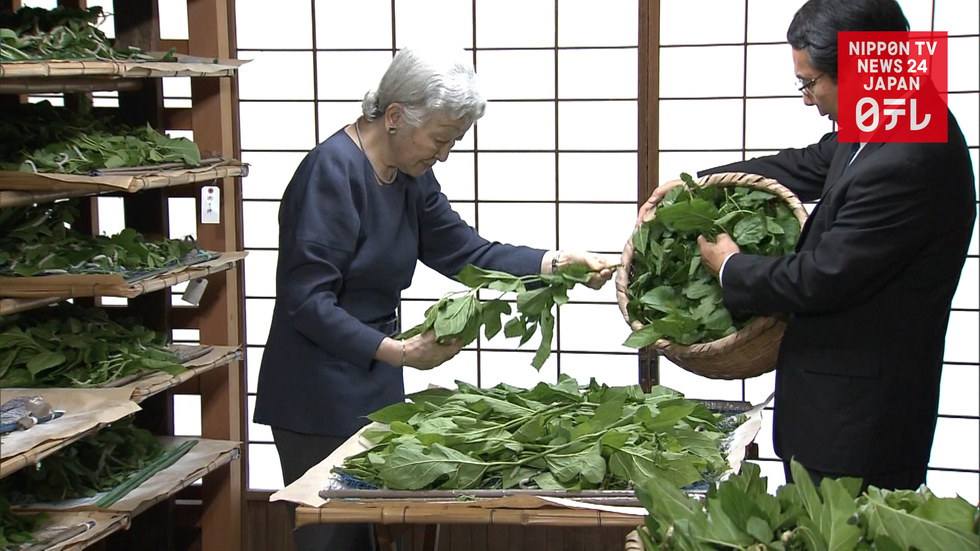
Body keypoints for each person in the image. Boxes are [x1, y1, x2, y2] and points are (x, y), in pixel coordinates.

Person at [253, 46, 613, 551]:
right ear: (395, 117)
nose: (443, 154)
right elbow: (306, 302)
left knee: (386, 531)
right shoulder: (331, 172)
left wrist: (555, 263)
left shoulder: (410, 175)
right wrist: (400, 352)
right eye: (440, 139)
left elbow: (465, 251)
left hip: (375, 376)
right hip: (315, 391)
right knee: (336, 540)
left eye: (454, 142)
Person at [640, 0, 975, 493]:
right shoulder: (893, 116)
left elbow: (823, 277)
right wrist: (697, 185)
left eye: (810, 82)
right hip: (832, 413)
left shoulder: (911, 156)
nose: (807, 99)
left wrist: (731, 266)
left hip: (862, 426)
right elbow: (808, 163)